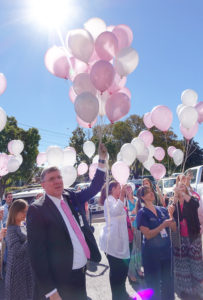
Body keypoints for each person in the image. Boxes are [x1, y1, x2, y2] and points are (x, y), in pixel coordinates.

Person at [27, 143, 107, 300]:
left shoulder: (70, 197)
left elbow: (94, 188)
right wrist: (50, 292)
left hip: (82, 270)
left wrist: (102, 160)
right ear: (43, 185)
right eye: (51, 179)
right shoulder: (37, 210)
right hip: (62, 278)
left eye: (59, 177)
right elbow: (37, 255)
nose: (57, 181)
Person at [136, 185, 176, 300]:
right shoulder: (142, 213)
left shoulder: (162, 209)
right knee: (154, 288)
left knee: (168, 285)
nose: (151, 193)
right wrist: (162, 225)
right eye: (148, 192)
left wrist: (171, 215)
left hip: (166, 254)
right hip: (151, 256)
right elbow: (148, 235)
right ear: (142, 197)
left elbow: (173, 228)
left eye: (151, 191)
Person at [99, 181, 132, 300]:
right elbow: (115, 211)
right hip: (112, 243)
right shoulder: (109, 200)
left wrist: (125, 196)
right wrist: (122, 196)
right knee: (117, 270)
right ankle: (117, 296)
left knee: (123, 269)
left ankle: (122, 293)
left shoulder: (117, 200)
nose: (120, 190)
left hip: (120, 241)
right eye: (119, 188)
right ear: (112, 189)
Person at [171, 182, 203, 299]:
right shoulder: (174, 202)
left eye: (183, 186)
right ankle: (186, 289)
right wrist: (175, 199)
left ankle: (199, 290)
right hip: (180, 237)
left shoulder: (192, 199)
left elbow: (195, 205)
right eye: (179, 186)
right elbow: (171, 215)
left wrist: (183, 194)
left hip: (193, 236)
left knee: (196, 263)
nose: (181, 187)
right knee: (182, 263)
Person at [5, 199, 34, 300]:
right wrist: (32, 237)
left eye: (27, 211)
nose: (25, 214)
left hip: (26, 269)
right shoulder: (11, 230)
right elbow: (17, 251)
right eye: (23, 211)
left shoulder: (23, 225)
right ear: (15, 211)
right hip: (17, 272)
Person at [125, 183, 143, 282]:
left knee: (138, 249)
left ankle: (138, 268)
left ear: (132, 189)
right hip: (130, 229)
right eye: (126, 188)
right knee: (132, 250)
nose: (128, 189)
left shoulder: (137, 200)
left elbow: (140, 212)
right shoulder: (124, 201)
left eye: (129, 187)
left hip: (138, 227)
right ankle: (131, 272)